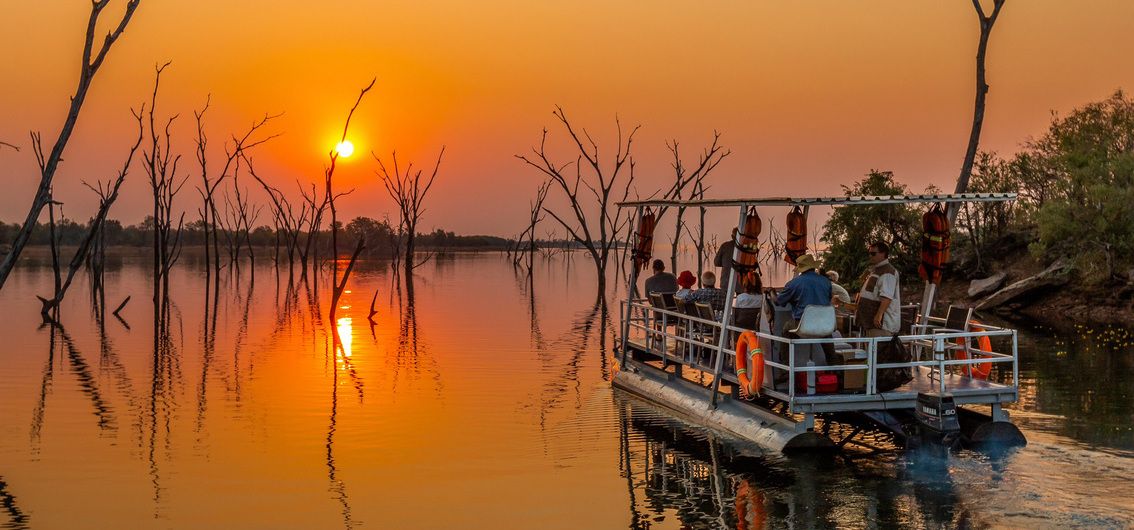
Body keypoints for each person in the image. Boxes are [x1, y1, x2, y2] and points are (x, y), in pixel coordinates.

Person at [858, 241, 901, 336]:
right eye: (869, 253)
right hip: (871, 323)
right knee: (873, 349)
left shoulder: (888, 272)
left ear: (883, 254)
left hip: (881, 324)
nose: (870, 256)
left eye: (873, 254)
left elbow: (887, 296)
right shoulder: (877, 270)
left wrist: (879, 315)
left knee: (879, 350)